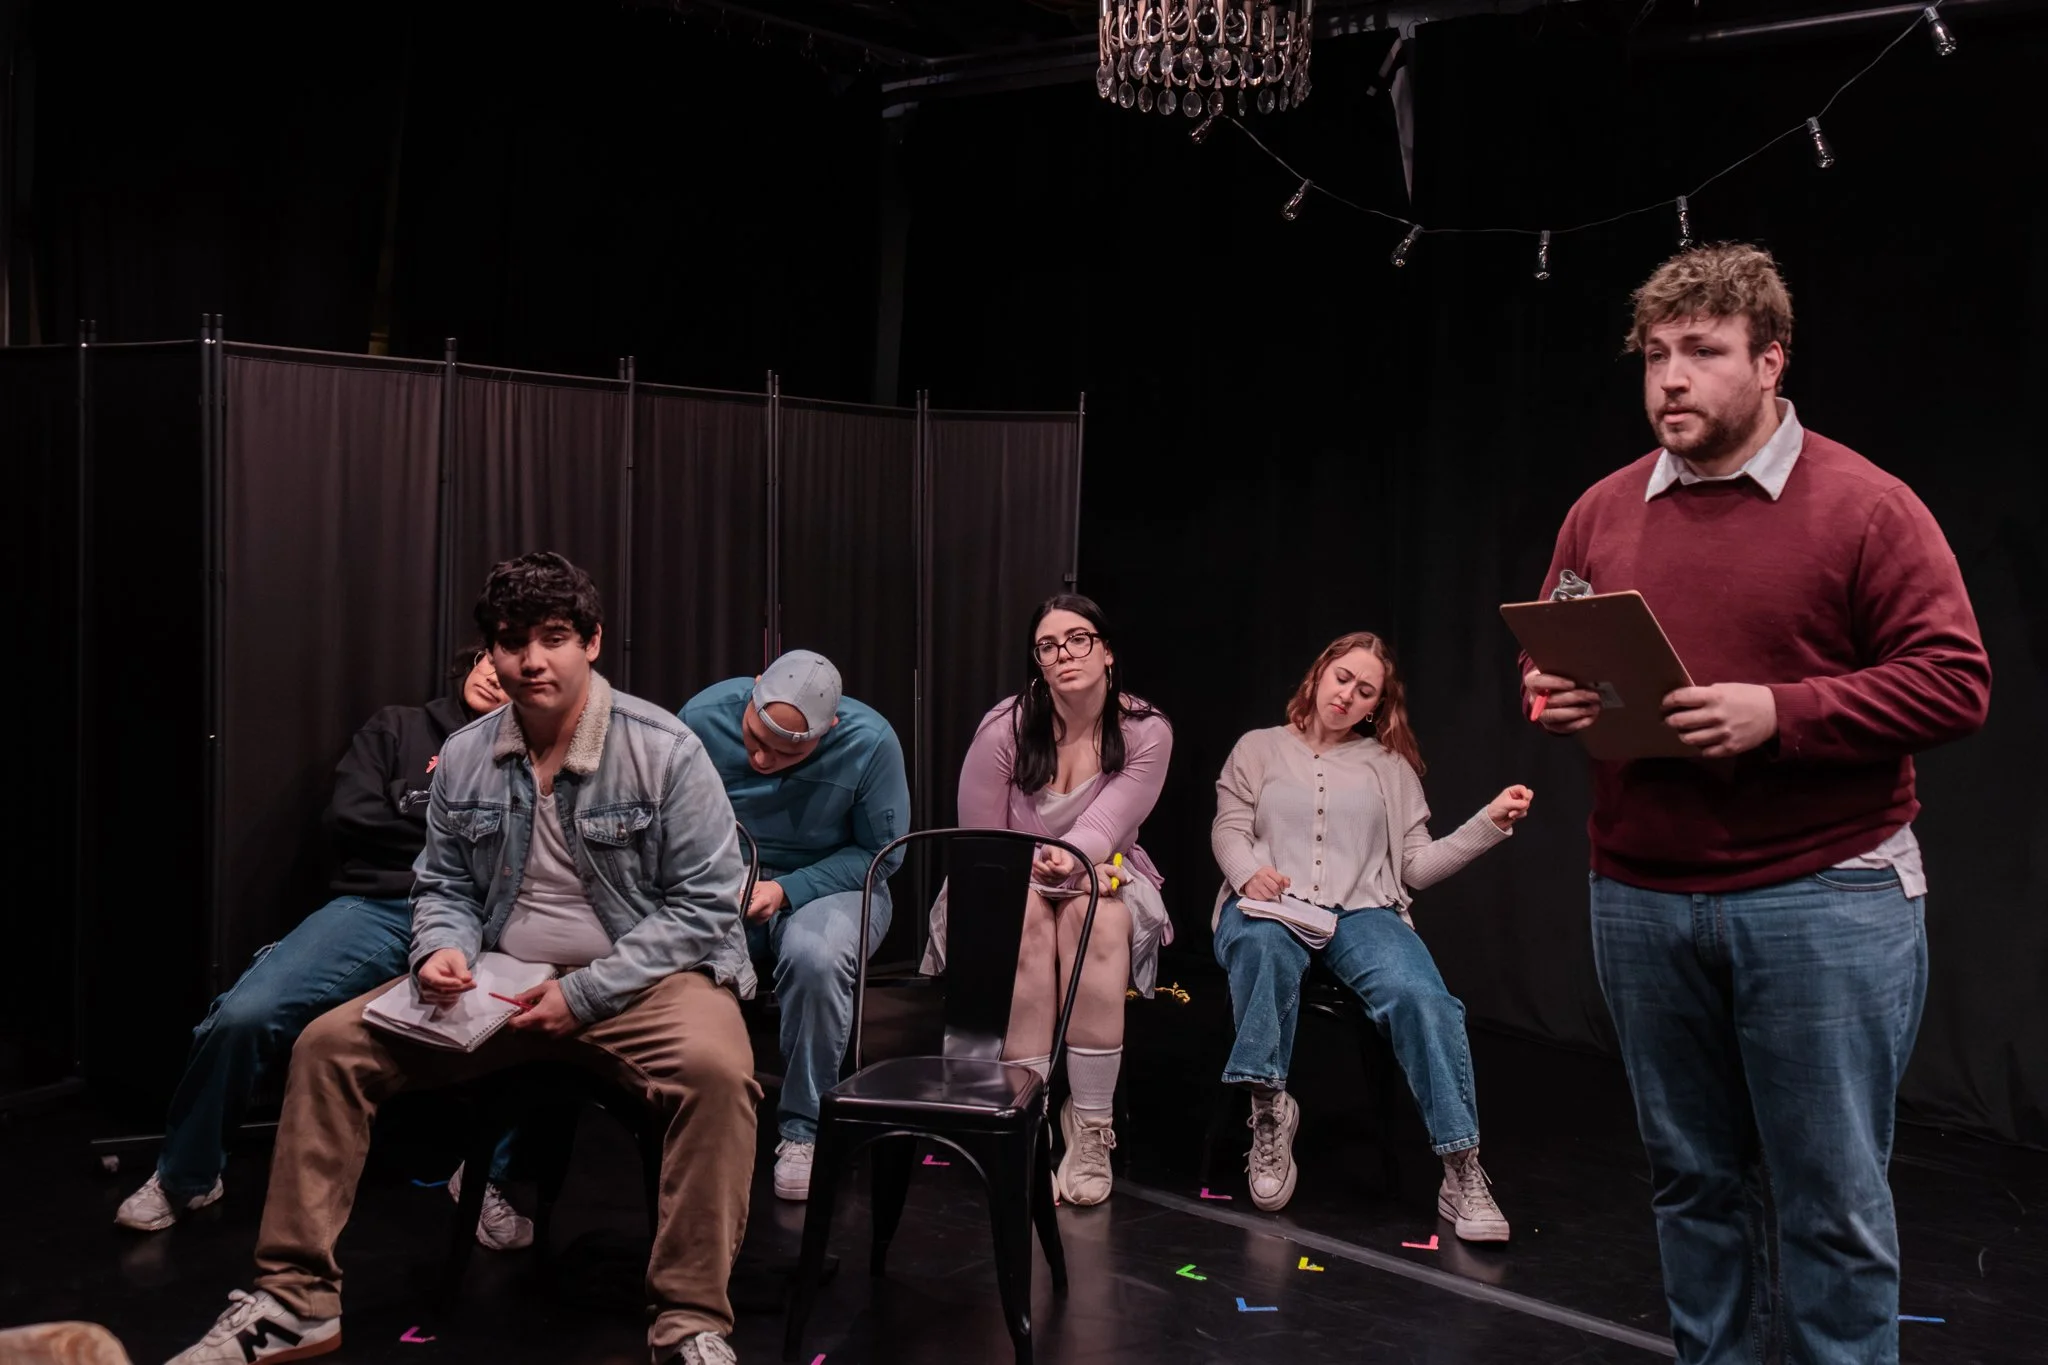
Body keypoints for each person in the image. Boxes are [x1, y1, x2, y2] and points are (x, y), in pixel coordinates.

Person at [1522, 245, 1991, 1364]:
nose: (1668, 381)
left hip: (1820, 894)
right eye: (1654, 356)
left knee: (1826, 1201)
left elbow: (1953, 679)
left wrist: (1778, 713)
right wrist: (1551, 693)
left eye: (1701, 354)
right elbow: (1551, 643)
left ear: (1769, 361)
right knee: (1691, 1184)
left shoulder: (1865, 505)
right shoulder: (1601, 510)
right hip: (1639, 892)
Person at [169, 552, 760, 1365]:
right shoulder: (471, 754)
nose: (531, 660)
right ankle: (294, 1301)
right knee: (329, 1046)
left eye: (554, 638)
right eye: (513, 641)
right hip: (503, 977)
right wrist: (442, 946)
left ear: (592, 641)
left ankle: (689, 1322)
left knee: (719, 1073)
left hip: (641, 976)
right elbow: (441, 879)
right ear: (492, 651)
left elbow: (705, 904)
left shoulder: (664, 747)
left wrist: (586, 993)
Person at [115, 651, 535, 1252]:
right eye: (486, 657)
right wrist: (457, 835)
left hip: (488, 920)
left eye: (514, 664)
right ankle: (187, 1175)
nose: (496, 671)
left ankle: (484, 1178)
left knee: (546, 1020)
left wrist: (439, 829)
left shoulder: (533, 750)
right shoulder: (398, 727)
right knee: (243, 1015)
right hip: (382, 906)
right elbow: (354, 816)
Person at [1211, 632, 1532, 1239]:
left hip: (1363, 913)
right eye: (1342, 678)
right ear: (1319, 674)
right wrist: (1249, 874)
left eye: (1365, 692)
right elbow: (1228, 829)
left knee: (1425, 1000)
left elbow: (1415, 868)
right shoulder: (1258, 748)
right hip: (1271, 904)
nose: (1348, 695)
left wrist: (1486, 825)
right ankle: (1270, 1111)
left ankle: (1461, 1167)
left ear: (1374, 708)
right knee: (1261, 946)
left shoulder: (1390, 767)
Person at [923, 593, 1172, 1207]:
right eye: (1049, 645)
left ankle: (1089, 1127)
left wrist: (1076, 863)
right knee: (1027, 917)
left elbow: (1106, 826)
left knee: (1098, 918)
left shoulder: (1145, 730)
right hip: (1004, 877)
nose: (1065, 654)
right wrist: (1038, 868)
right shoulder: (1005, 728)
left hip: (1101, 871)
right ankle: (1025, 1122)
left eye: (1079, 638)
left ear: (1107, 651)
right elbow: (980, 844)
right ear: (1037, 661)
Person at [680, 650, 909, 1202]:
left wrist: (787, 890)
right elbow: (668, 821)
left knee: (816, 955)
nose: (762, 759)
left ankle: (803, 1130)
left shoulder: (871, 742)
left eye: (786, 754)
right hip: (726, 878)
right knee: (677, 952)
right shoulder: (702, 716)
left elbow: (882, 855)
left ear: (829, 728)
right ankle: (689, 1120)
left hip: (834, 883)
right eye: (755, 740)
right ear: (754, 689)